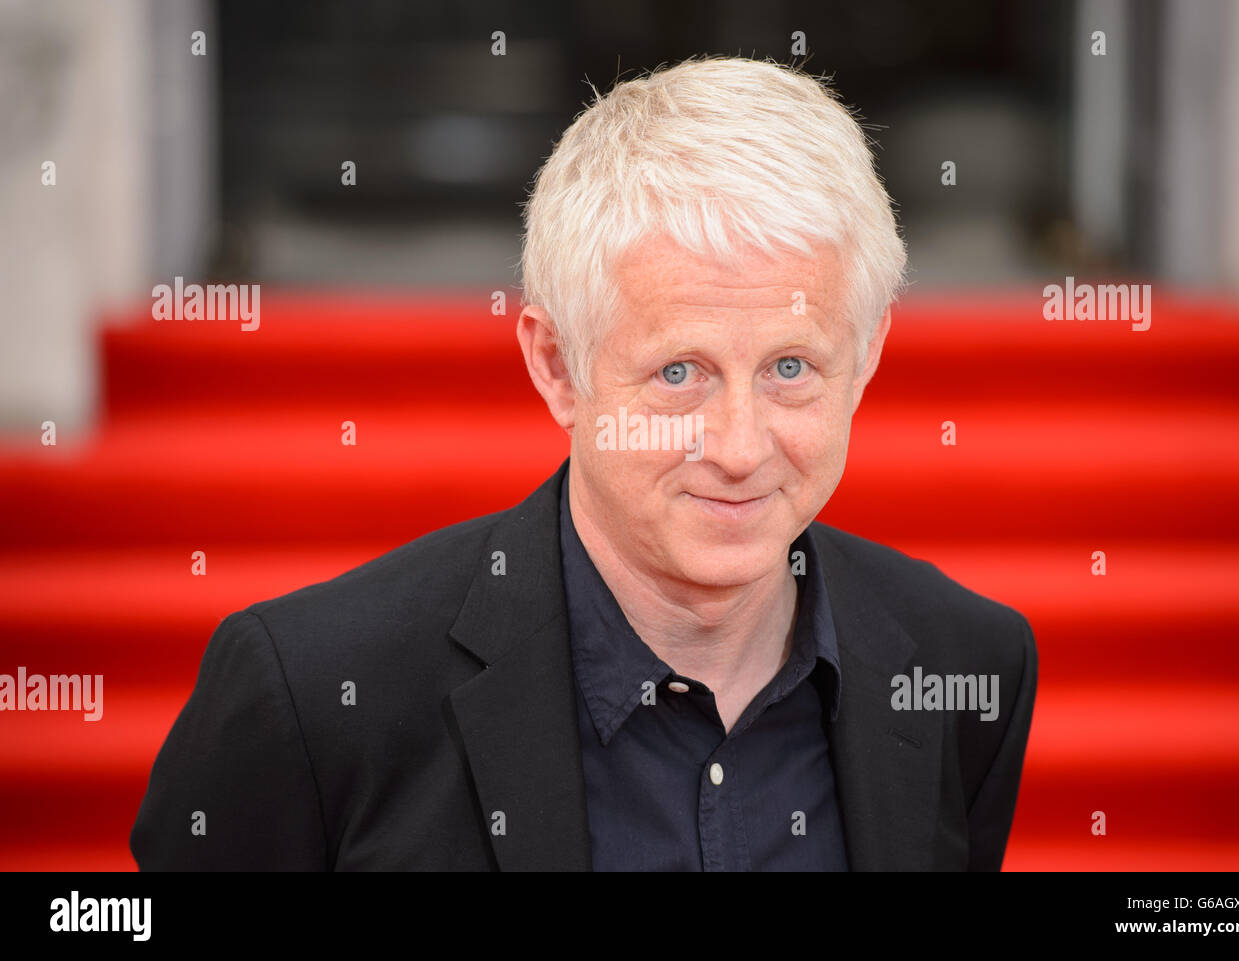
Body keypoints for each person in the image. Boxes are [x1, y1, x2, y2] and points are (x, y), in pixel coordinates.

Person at [131, 56, 1036, 871]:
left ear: (868, 353)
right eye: (678, 373)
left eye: (790, 368)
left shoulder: (968, 666)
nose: (738, 447)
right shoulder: (308, 694)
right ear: (557, 365)